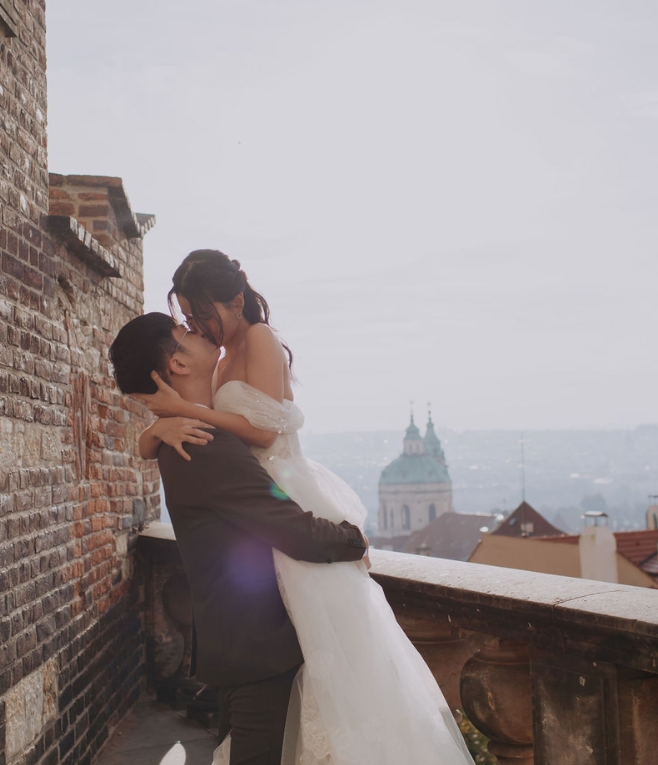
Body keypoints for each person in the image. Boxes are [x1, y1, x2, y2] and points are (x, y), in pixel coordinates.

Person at [136, 250, 472, 765]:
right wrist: (157, 429)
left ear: (237, 301)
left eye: (202, 313)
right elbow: (207, 444)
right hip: (258, 499)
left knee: (324, 656)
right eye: (189, 318)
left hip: (281, 488)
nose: (198, 326)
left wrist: (182, 410)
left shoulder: (261, 339)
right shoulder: (223, 357)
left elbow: (267, 430)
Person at [109, 312, 370, 765]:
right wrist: (354, 540)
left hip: (236, 642)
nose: (199, 331)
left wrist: (152, 431)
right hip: (257, 649)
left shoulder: (184, 433)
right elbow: (292, 529)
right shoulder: (205, 443)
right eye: (186, 332)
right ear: (178, 365)